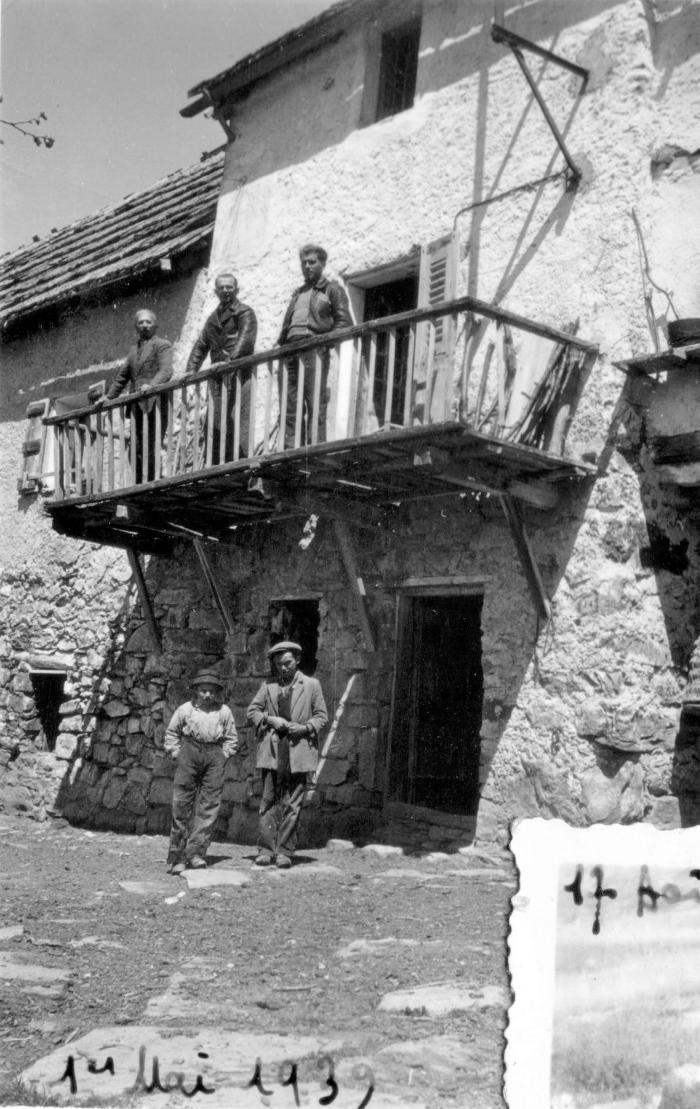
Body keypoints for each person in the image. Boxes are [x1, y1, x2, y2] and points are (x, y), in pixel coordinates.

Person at [246, 641, 328, 869]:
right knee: (269, 798)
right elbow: (252, 711)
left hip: (298, 749)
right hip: (273, 749)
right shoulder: (268, 686)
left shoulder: (311, 685)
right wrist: (270, 719)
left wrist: (304, 727)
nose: (283, 668)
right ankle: (265, 849)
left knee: (293, 802)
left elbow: (322, 716)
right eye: (278, 664)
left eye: (288, 663)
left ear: (297, 661)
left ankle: (284, 851)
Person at [164, 670, 238, 874]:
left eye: (211, 691)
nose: (207, 695)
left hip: (214, 754)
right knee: (182, 804)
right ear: (196, 691)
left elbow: (231, 738)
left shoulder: (224, 711)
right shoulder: (185, 710)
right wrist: (177, 753)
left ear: (216, 693)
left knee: (209, 805)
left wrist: (223, 755)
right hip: (189, 752)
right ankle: (177, 856)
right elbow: (172, 733)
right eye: (203, 691)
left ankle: (196, 853)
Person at [278, 244, 352, 446]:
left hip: (313, 349)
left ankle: (314, 446)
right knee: (290, 403)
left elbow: (344, 322)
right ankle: (290, 447)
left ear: (322, 264)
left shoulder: (332, 289)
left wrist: (324, 343)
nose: (308, 266)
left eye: (312, 262)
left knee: (314, 400)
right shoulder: (298, 293)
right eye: (304, 263)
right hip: (290, 351)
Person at [186, 273, 257, 460]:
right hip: (218, 378)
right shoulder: (212, 319)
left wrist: (227, 362)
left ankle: (243, 464)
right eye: (222, 287)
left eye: (229, 287)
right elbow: (201, 345)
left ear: (237, 289)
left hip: (239, 374)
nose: (225, 290)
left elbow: (245, 343)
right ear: (215, 291)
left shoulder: (244, 312)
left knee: (239, 419)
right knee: (216, 421)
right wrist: (190, 372)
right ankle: (220, 464)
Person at [100, 309, 173, 482]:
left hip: (155, 401)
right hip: (137, 405)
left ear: (155, 325)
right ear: (136, 327)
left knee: (153, 442)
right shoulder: (133, 351)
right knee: (136, 446)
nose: (144, 326)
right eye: (141, 323)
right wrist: (109, 397)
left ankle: (154, 478)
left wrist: (152, 385)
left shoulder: (162, 345)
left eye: (148, 322)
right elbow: (122, 377)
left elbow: (166, 370)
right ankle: (141, 480)